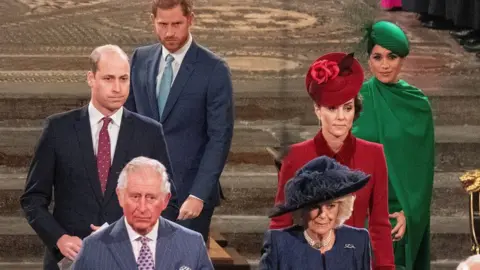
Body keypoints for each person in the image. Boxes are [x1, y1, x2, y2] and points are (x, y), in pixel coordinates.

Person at [20, 45, 179, 270]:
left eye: (123, 79)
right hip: (69, 260)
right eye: (108, 78)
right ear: (91, 78)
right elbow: (33, 199)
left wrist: (133, 235)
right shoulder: (58, 129)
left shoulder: (149, 132)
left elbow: (169, 202)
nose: (117, 88)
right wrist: (59, 239)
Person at [269, 52, 395, 269]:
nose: (340, 117)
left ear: (355, 110)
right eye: (331, 108)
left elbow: (380, 225)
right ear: (317, 110)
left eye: (347, 108)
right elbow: (281, 223)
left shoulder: (373, 155)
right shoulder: (296, 156)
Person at [125, 0, 234, 242]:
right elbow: (128, 123)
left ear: (191, 20)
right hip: (144, 193)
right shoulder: (140, 59)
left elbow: (220, 138)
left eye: (177, 24)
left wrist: (198, 194)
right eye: (162, 24)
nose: (170, 32)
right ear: (152, 21)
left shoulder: (214, 69)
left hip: (189, 196)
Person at [352, 20, 435, 270]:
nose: (385, 65)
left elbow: (423, 172)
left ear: (403, 60)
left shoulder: (418, 105)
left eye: (392, 57)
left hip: (397, 214)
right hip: (357, 209)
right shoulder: (355, 99)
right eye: (377, 57)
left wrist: (408, 214)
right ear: (369, 60)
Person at [72, 157, 213, 270]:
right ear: (120, 196)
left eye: (151, 198)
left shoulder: (192, 244)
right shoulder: (93, 247)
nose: (142, 207)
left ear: (165, 200)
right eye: (135, 196)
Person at [260, 156, 372, 269]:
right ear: (301, 210)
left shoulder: (358, 239)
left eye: (331, 206)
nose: (323, 214)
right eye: (314, 206)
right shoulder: (278, 242)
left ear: (341, 207)